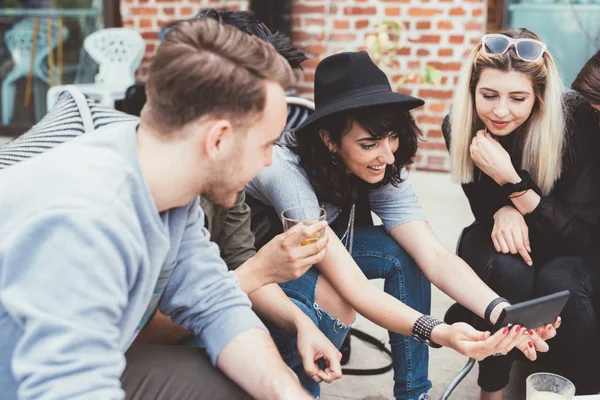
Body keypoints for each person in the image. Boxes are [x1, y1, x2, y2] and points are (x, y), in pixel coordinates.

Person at [0, 8, 343, 392]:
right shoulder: (87, 219)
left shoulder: (170, 191)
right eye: (266, 145)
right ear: (218, 140)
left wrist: (285, 391)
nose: (268, 161)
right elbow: (69, 385)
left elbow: (216, 304)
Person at [245, 50, 558, 400]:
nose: (388, 155)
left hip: (328, 248)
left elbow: (434, 255)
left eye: (392, 137)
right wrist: (441, 331)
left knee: (404, 253)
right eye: (369, 144)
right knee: (334, 301)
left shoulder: (383, 161)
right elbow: (352, 286)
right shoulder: (284, 171)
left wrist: (502, 311)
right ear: (329, 140)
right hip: (265, 268)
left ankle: (414, 394)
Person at [443, 28, 600, 398]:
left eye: (517, 97)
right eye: (488, 95)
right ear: (472, 92)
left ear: (540, 96)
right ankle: (492, 390)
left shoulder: (576, 120)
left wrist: (514, 185)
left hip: (566, 240)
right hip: (508, 240)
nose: (500, 110)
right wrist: (501, 208)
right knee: (509, 268)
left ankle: (583, 389)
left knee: (557, 277)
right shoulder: (460, 125)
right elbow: (483, 209)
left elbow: (579, 235)